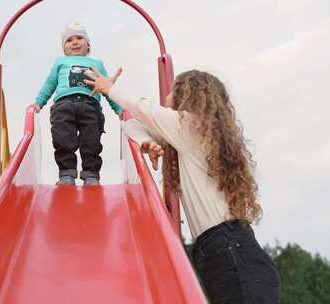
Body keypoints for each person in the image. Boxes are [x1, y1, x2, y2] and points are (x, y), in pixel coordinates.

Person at [84, 68, 281, 303]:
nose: (166, 96)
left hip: (231, 252)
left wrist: (109, 88)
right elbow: (133, 126)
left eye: (172, 90)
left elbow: (143, 110)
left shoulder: (190, 126)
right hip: (230, 251)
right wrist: (147, 141)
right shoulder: (191, 136)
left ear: (186, 95)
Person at [30, 22, 122, 186]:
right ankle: (66, 174)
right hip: (63, 106)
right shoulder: (60, 62)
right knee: (62, 139)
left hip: (90, 106)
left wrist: (119, 108)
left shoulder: (97, 63)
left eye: (79, 38)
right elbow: (49, 84)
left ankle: (91, 175)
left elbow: (107, 86)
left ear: (88, 46)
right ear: (64, 48)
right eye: (69, 40)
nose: (75, 42)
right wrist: (39, 102)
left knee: (91, 142)